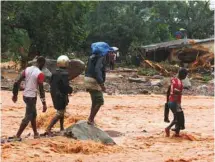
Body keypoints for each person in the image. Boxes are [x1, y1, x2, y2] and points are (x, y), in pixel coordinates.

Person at [12, 56, 47, 140]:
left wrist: (15, 94)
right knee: (28, 116)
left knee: (33, 114)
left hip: (25, 96)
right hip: (31, 97)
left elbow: (16, 81)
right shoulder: (40, 74)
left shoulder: (27, 69)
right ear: (42, 63)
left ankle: (35, 133)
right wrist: (44, 103)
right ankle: (17, 136)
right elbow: (41, 90)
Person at [85, 42, 114, 125]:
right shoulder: (100, 57)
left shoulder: (91, 57)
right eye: (108, 51)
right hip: (94, 80)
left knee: (94, 101)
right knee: (100, 101)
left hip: (87, 79)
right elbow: (97, 70)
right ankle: (90, 119)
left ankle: (91, 119)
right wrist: (101, 84)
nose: (108, 53)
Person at [45, 55, 73, 135]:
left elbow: (52, 83)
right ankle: (48, 128)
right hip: (61, 95)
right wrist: (70, 90)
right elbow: (65, 86)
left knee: (61, 111)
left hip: (54, 94)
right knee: (60, 112)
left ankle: (61, 127)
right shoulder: (65, 74)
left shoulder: (54, 73)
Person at [165, 68, 188, 137]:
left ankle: (177, 133)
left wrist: (167, 102)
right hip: (175, 102)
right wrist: (179, 92)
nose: (185, 77)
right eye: (186, 75)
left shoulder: (173, 80)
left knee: (179, 116)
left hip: (171, 102)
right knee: (178, 118)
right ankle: (168, 128)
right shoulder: (178, 82)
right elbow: (175, 90)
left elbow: (168, 91)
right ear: (183, 75)